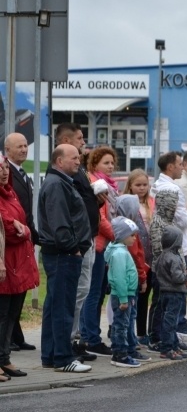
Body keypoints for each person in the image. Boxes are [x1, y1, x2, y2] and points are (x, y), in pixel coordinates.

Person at [39, 144, 93, 373]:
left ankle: (51, 355)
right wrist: (73, 249)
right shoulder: (56, 185)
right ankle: (62, 359)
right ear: (59, 161)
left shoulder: (60, 183)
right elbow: (60, 222)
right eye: (73, 158)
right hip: (63, 254)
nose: (78, 161)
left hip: (62, 253)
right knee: (62, 308)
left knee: (55, 306)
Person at [54, 123, 101, 363]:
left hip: (88, 236)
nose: (84, 143)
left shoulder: (78, 170)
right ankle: (69, 341)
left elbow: (84, 201)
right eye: (80, 138)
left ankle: (75, 338)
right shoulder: (63, 176)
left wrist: (97, 199)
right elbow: (70, 208)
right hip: (78, 242)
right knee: (76, 293)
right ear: (66, 140)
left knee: (82, 291)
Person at [0, 154, 39, 379]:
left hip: (18, 263)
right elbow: (8, 230)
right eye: (1, 168)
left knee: (12, 315)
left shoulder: (11, 193)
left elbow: (21, 226)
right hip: (5, 263)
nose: (5, 172)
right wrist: (20, 229)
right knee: (2, 315)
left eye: (6, 167)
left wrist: (21, 228)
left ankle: (4, 359)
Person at [79, 146, 120, 357]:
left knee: (97, 292)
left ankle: (89, 334)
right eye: (106, 163)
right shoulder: (97, 184)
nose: (111, 166)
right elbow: (100, 217)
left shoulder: (109, 186)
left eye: (112, 162)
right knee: (92, 293)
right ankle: (91, 337)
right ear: (94, 164)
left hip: (104, 244)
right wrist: (117, 234)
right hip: (98, 242)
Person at [152, 151, 187, 338]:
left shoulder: (159, 185)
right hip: (174, 246)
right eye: (180, 164)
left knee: (164, 297)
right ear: (170, 167)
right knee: (169, 296)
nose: (182, 167)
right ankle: (164, 335)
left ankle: (166, 334)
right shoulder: (172, 189)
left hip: (171, 245)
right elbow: (183, 219)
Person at [107, 216, 144, 368]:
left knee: (121, 323)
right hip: (123, 295)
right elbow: (120, 278)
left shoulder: (121, 250)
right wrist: (123, 298)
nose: (135, 238)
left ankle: (121, 351)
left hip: (127, 294)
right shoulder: (120, 254)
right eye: (132, 235)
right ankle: (120, 354)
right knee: (121, 325)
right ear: (122, 236)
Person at [155, 224, 187, 360]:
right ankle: (167, 348)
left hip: (164, 291)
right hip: (174, 293)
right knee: (171, 322)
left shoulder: (162, 256)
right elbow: (177, 277)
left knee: (167, 320)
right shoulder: (173, 257)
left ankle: (173, 345)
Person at [146, 189, 179, 351]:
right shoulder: (158, 223)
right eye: (171, 204)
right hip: (161, 272)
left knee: (168, 307)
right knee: (159, 304)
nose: (173, 208)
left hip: (171, 271)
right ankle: (155, 337)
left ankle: (170, 337)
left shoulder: (169, 222)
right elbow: (159, 250)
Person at [116, 194, 151, 347]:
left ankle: (128, 344)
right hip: (131, 282)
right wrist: (143, 276)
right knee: (127, 316)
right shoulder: (129, 234)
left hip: (131, 281)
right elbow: (137, 256)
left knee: (128, 316)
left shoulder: (120, 228)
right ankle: (126, 348)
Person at [123, 169, 154, 341]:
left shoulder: (151, 203)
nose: (142, 188)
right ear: (130, 186)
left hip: (149, 255)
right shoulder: (128, 203)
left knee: (144, 295)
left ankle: (142, 332)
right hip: (133, 253)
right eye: (138, 185)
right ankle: (127, 332)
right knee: (131, 295)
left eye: (144, 185)